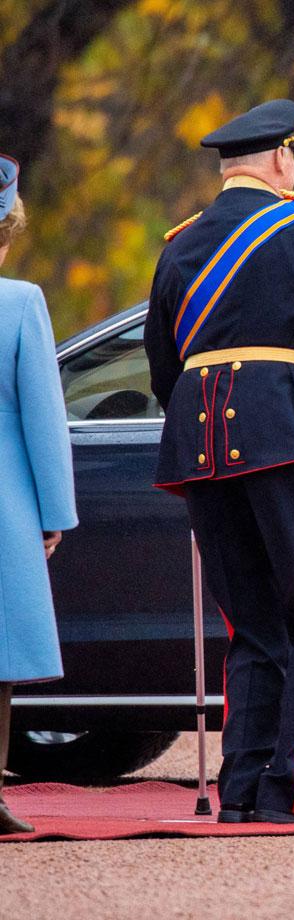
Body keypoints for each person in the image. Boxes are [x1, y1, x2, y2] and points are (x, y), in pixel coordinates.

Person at [144, 99, 294, 824]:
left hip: (201, 445)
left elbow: (163, 362)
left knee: (251, 625)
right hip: (290, 435)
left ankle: (244, 788)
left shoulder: (181, 243)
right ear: (283, 158)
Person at [0, 155, 79, 835]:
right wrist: (55, 513)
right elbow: (42, 419)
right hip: (3, 502)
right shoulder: (19, 302)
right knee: (0, 659)